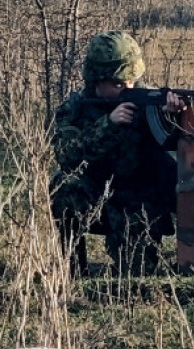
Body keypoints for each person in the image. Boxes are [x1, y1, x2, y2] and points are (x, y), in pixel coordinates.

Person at [50, 31, 185, 276]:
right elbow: (67, 156)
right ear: (96, 80)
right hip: (95, 193)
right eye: (119, 83)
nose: (129, 88)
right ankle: (72, 268)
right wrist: (108, 125)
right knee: (63, 186)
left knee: (137, 272)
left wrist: (170, 116)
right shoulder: (75, 109)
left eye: (132, 80)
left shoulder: (149, 101)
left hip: (138, 198)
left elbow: (175, 148)